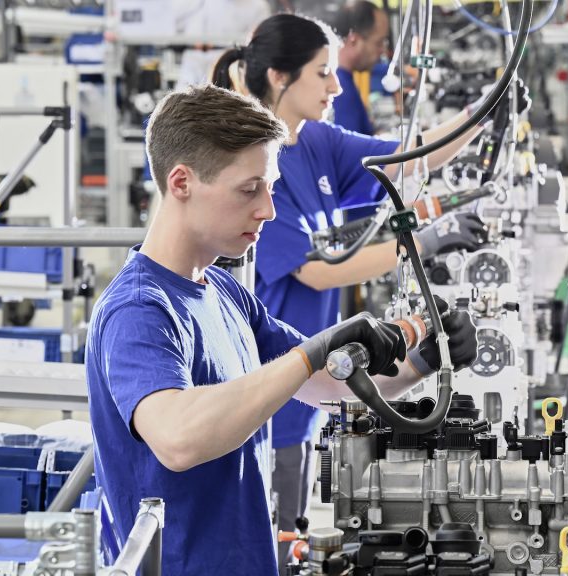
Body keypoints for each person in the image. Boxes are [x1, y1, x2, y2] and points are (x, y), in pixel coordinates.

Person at [85, 84, 478, 575]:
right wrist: (309, 353)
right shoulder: (140, 309)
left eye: (269, 187)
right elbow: (177, 438)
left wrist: (426, 359)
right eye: (250, 189)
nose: (268, 209)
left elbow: (334, 387)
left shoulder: (223, 293)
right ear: (181, 182)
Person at [210, 13, 502, 547]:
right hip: (270, 393)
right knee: (270, 537)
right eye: (323, 73)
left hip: (312, 378)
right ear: (279, 76)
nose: (337, 86)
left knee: (294, 532)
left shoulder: (316, 141)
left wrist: (481, 113)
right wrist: (424, 243)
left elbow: (404, 158)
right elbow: (319, 273)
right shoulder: (250, 173)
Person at [331, 0, 388, 135]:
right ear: (354, 40)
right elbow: (349, 153)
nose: (382, 51)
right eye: (378, 42)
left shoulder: (346, 80)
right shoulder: (338, 89)